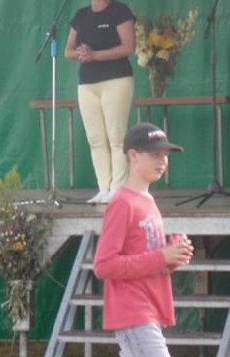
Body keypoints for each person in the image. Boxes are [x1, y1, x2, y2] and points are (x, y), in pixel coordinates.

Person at [93, 123, 194, 357]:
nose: (163, 161)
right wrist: (162, 256)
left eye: (165, 155)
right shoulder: (122, 203)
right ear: (133, 156)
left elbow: (147, 255)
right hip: (134, 311)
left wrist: (173, 255)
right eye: (156, 154)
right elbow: (103, 265)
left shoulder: (147, 200)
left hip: (148, 309)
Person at [65, 0, 136, 204]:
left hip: (116, 80)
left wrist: (95, 55)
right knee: (96, 139)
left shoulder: (120, 11)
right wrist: (82, 53)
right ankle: (103, 187)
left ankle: (118, 188)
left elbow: (128, 47)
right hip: (87, 84)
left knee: (116, 137)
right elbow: (68, 51)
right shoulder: (81, 16)